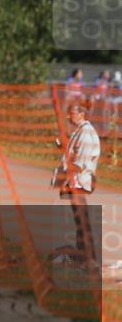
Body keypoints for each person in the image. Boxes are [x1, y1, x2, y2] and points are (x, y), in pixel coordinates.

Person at [51, 103, 101, 268]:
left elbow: (80, 162)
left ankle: (89, 259)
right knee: (80, 221)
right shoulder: (80, 131)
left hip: (78, 183)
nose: (68, 116)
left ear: (81, 114)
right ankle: (84, 257)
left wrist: (70, 183)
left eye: (71, 113)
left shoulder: (86, 133)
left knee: (82, 221)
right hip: (76, 181)